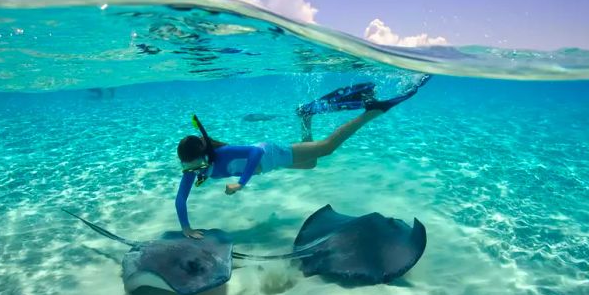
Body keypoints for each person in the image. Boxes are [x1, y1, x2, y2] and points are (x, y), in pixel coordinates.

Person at [176, 75, 431, 239]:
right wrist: (186, 228)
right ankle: (306, 116)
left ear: (200, 155)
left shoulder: (221, 154)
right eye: (184, 165)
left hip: (269, 153)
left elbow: (254, 153)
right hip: (269, 165)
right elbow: (181, 199)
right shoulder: (194, 170)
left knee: (328, 147)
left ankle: (371, 112)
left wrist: (241, 183)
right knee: (311, 163)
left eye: (188, 163)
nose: (185, 169)